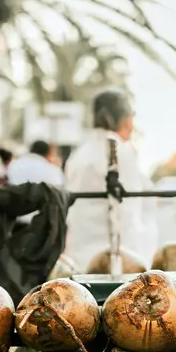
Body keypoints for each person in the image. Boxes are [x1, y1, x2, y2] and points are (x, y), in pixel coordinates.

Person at [64, 89, 159, 264]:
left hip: (79, 256)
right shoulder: (122, 152)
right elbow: (134, 212)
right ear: (126, 120)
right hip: (120, 258)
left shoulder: (78, 155)